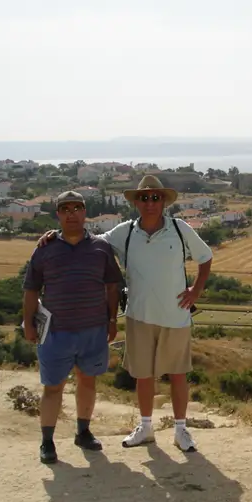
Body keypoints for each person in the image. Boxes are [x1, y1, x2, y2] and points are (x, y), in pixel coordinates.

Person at [37, 175, 213, 452]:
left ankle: (181, 430)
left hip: (176, 316)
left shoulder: (180, 229)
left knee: (178, 375)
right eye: (144, 197)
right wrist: (55, 236)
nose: (150, 202)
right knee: (143, 376)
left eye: (155, 197)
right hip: (139, 315)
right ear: (136, 202)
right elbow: (90, 242)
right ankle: (145, 427)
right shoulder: (125, 232)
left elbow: (205, 258)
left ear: (164, 201)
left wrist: (196, 291)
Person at [23, 191, 122, 464]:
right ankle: (47, 442)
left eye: (76, 208)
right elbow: (31, 288)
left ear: (84, 212)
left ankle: (83, 432)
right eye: (65, 209)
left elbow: (112, 287)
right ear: (58, 214)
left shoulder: (101, 248)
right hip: (56, 332)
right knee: (53, 387)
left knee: (87, 381)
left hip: (93, 330)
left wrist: (112, 320)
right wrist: (28, 323)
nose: (71, 213)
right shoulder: (45, 248)